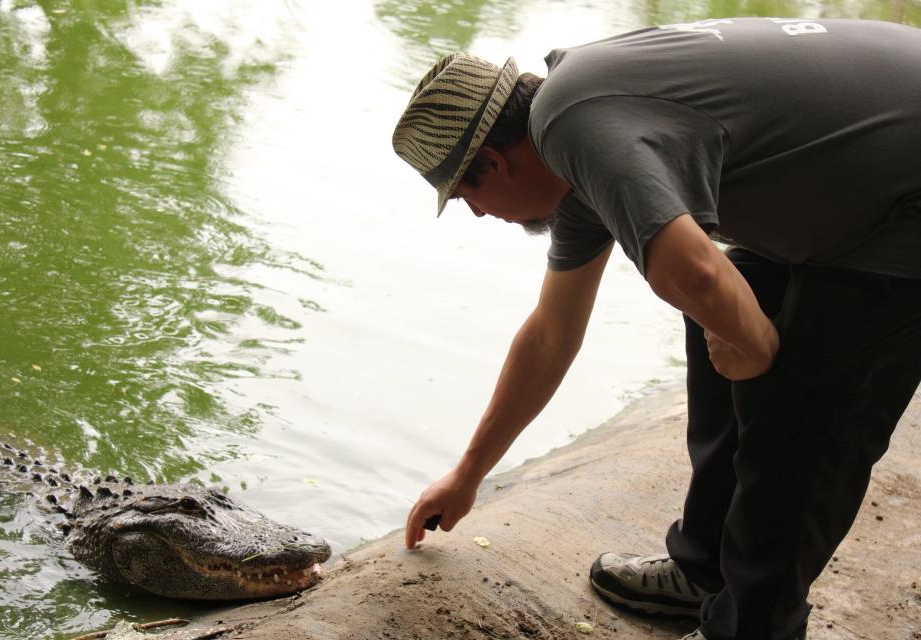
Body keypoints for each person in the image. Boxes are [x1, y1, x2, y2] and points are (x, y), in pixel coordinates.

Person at [391, 18, 921, 640]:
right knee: (723, 327)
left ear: (492, 162)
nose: (479, 214)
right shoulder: (578, 134)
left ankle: (751, 626)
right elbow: (552, 332)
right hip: (852, 174)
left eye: (465, 196)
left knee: (801, 421)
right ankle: (704, 571)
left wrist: (759, 351)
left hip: (902, 196)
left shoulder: (574, 125)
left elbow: (694, 273)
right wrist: (469, 473)